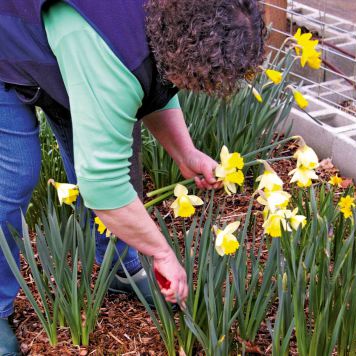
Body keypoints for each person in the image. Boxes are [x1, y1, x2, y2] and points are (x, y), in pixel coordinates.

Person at [0, 0, 265, 353]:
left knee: (103, 158)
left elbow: (150, 79)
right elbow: (102, 185)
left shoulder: (164, 20)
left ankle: (117, 268)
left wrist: (185, 152)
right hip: (7, 38)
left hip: (62, 52)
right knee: (15, 175)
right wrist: (162, 252)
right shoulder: (109, 48)